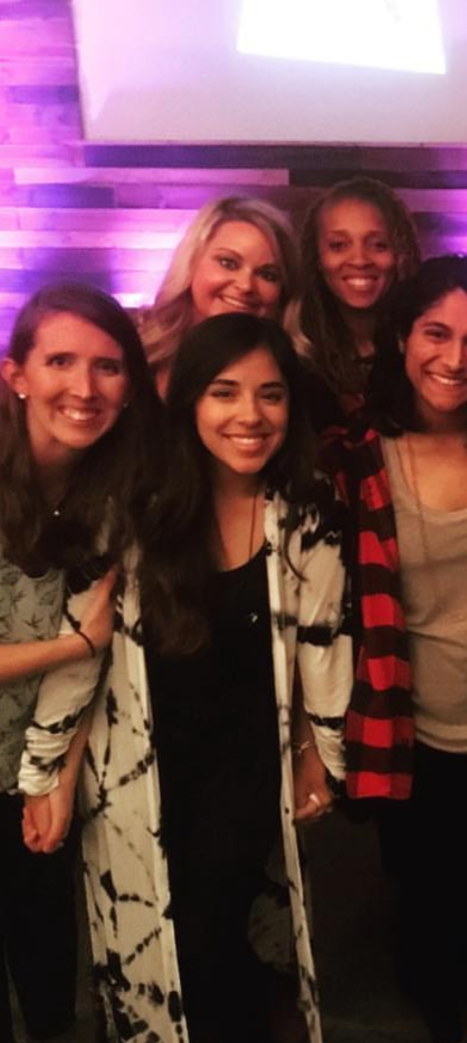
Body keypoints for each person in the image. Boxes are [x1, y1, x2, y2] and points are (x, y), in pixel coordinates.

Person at [21, 314, 351, 1043]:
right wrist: (49, 770)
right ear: (190, 404)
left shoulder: (306, 513)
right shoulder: (133, 508)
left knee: (207, 938)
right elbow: (86, 651)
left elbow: (324, 645)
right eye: (224, 392)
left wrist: (317, 752)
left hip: (242, 776)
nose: (248, 415)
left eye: (270, 394)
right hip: (137, 771)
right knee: (143, 955)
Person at [321, 255, 467, 1043]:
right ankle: (438, 1015)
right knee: (420, 887)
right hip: (403, 719)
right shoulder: (351, 452)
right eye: (435, 334)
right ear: (399, 336)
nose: (453, 360)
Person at [0, 282, 160, 1043]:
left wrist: (53, 781)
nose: (84, 387)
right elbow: (89, 641)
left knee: (45, 952)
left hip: (29, 758)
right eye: (60, 360)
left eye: (107, 366)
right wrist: (75, 643)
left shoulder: (117, 495)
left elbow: (102, 656)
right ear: (16, 373)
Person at [139, 196, 300, 396]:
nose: (246, 286)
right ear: (191, 261)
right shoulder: (137, 358)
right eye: (228, 263)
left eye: (268, 275)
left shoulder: (299, 380)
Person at [294, 176, 421, 424]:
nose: (360, 260)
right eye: (339, 245)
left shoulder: (427, 345)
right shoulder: (295, 350)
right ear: (317, 257)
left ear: (401, 255)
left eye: (379, 245)